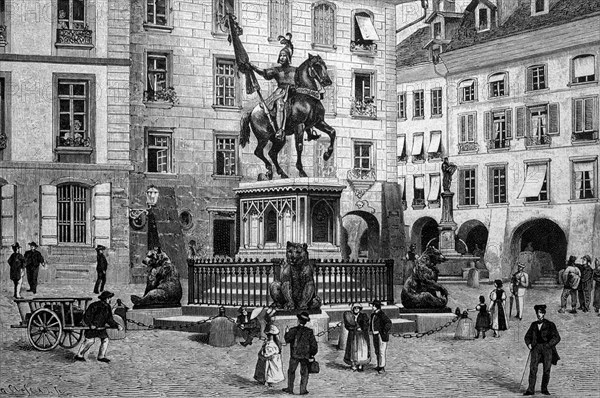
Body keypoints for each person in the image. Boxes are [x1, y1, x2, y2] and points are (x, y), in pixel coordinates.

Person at [247, 34, 320, 142]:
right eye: (281, 55)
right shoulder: (276, 70)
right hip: (281, 93)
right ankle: (280, 130)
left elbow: (302, 81)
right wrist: (253, 67)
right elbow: (264, 73)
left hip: (294, 93)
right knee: (281, 105)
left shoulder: (296, 70)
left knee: (306, 106)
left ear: (288, 57)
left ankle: (309, 131)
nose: (282, 57)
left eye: (284, 55)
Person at [75, 291, 123, 362]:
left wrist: (117, 325)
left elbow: (109, 319)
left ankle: (101, 356)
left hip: (101, 328)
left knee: (105, 340)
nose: (110, 300)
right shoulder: (94, 305)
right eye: (109, 298)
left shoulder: (108, 307)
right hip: (92, 328)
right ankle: (79, 355)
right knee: (90, 341)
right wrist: (91, 325)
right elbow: (87, 316)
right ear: (106, 298)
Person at [523, 304, 561, 396]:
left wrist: (548, 345)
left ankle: (544, 389)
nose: (539, 315)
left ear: (544, 314)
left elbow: (557, 337)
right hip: (536, 348)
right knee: (533, 368)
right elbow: (527, 336)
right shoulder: (533, 325)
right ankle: (530, 389)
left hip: (547, 349)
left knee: (546, 369)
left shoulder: (550, 324)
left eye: (541, 313)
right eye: (538, 313)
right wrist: (529, 344)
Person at [283, 312, 318, 395]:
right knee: (304, 372)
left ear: (298, 320)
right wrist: (312, 354)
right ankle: (303, 390)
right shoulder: (309, 331)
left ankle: (290, 388)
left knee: (291, 371)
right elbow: (314, 345)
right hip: (305, 355)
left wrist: (286, 332)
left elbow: (287, 339)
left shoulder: (293, 330)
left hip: (294, 354)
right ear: (306, 322)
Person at [343, 304, 370, 372]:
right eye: (355, 308)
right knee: (353, 350)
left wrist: (362, 328)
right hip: (353, 335)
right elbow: (347, 325)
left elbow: (366, 324)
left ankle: (360, 364)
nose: (356, 309)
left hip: (361, 336)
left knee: (362, 350)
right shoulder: (350, 316)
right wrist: (353, 328)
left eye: (358, 308)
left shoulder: (363, 316)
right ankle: (353, 364)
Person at [370, 300, 392, 373]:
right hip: (375, 334)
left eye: (373, 306)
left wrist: (384, 331)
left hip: (381, 335)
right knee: (377, 351)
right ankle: (378, 365)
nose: (372, 307)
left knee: (381, 351)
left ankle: (382, 367)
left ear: (377, 307)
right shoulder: (373, 314)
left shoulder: (381, 314)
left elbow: (388, 323)